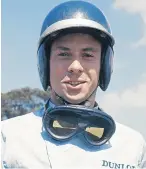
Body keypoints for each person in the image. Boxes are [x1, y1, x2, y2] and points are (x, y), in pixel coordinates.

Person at [1, 1, 146, 169]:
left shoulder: (132, 146)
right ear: (45, 63)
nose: (75, 67)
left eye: (88, 55)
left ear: (104, 64)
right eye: (64, 54)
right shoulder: (8, 138)